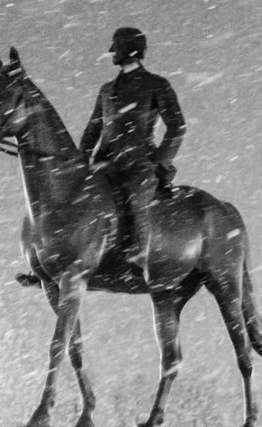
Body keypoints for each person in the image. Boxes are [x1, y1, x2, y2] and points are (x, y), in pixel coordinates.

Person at [78, 24, 186, 277]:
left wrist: (159, 162)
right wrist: (80, 160)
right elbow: (93, 129)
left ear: (128, 49)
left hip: (139, 163)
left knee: (135, 196)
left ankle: (139, 252)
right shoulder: (106, 90)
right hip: (104, 163)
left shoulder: (156, 85)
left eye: (115, 47)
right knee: (71, 196)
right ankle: (56, 259)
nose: (111, 52)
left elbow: (177, 127)